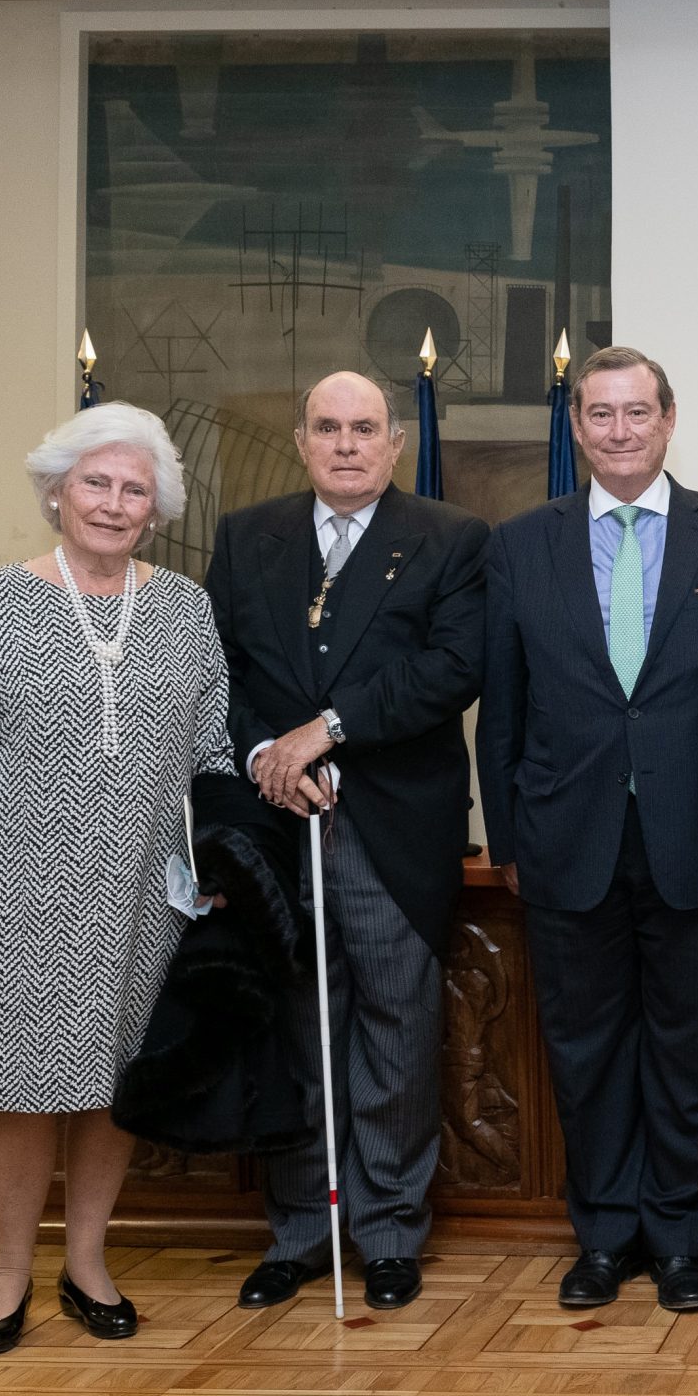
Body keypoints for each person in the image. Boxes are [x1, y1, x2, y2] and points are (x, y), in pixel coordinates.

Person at [0, 404, 233, 1356]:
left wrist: (221, 858)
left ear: (157, 508)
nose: (113, 502)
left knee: (113, 1078)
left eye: (134, 488)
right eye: (96, 482)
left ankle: (87, 1258)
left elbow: (212, 748)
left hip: (144, 889)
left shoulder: (185, 608)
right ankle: (10, 1267)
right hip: (15, 885)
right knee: (15, 1085)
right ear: (57, 490)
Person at [477, 345, 698, 1312]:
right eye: (598, 415)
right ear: (576, 428)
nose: (618, 431)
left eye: (636, 413)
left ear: (669, 420)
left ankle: (682, 1239)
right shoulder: (524, 541)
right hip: (568, 841)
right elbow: (504, 707)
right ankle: (605, 1236)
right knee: (587, 1048)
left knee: (694, 1048)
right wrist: (509, 840)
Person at [203, 371, 488, 1315]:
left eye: (365, 427)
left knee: (396, 1027)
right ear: (300, 439)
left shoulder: (449, 537)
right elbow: (219, 670)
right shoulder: (250, 538)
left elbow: (452, 668)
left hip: (394, 823)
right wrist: (262, 754)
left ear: (395, 442)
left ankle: (390, 1230)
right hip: (275, 824)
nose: (347, 444)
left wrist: (327, 728)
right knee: (296, 1024)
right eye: (327, 427)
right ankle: (300, 1230)